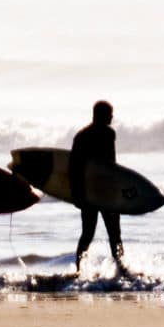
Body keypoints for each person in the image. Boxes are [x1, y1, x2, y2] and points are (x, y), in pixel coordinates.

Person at [70, 99, 126, 273]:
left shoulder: (81, 136)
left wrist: (77, 193)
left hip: (88, 192)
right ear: (101, 115)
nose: (112, 117)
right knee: (114, 234)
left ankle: (79, 270)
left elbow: (73, 168)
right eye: (109, 114)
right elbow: (111, 164)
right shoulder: (108, 134)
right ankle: (121, 268)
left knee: (87, 234)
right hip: (105, 191)